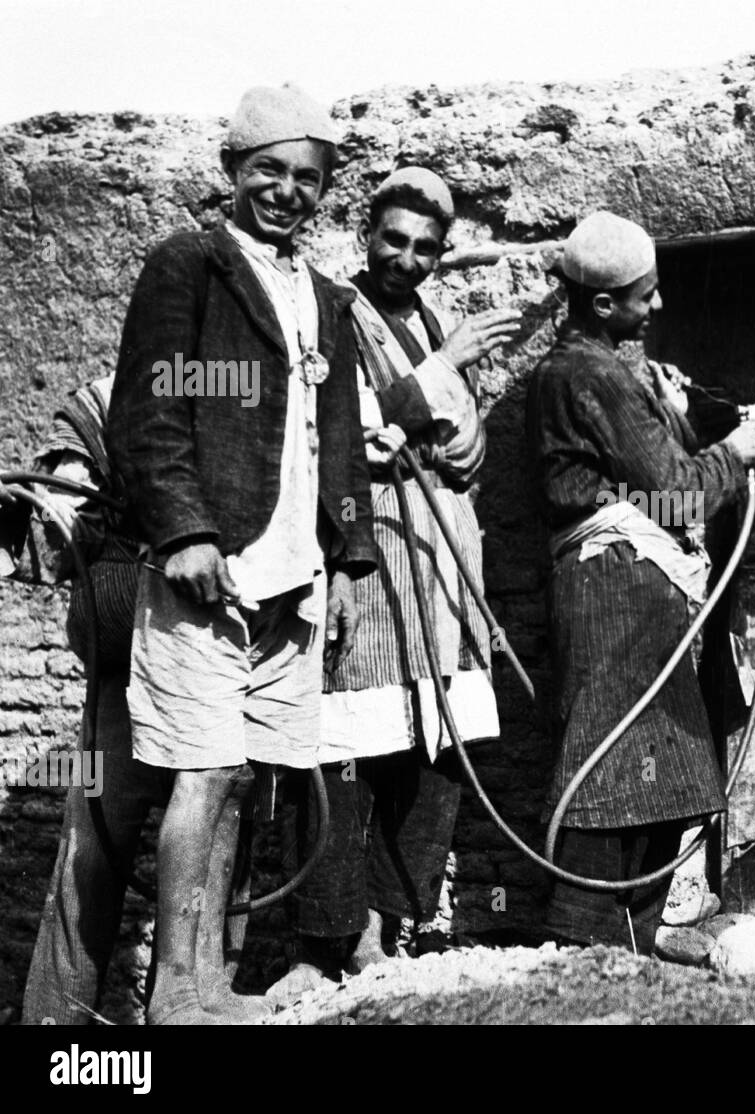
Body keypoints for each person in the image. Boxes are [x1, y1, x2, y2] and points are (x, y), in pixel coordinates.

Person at [105, 84, 377, 1023]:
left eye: (307, 178)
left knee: (254, 776)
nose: (286, 191)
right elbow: (148, 410)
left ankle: (212, 984)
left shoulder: (327, 299)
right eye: (268, 170)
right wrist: (182, 529)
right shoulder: (190, 267)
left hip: (294, 572)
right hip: (210, 567)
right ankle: (176, 994)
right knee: (205, 769)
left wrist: (348, 560)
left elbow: (338, 440)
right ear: (231, 172)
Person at [281, 168, 521, 986]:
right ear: (366, 236)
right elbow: (333, 429)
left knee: (432, 752)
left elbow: (459, 437)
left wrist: (465, 441)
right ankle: (327, 943)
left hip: (442, 561)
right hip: (367, 550)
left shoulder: (425, 319)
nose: (408, 259)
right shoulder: (333, 315)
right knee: (347, 751)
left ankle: (392, 926)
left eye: (426, 248)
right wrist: (443, 372)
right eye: (394, 240)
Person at [525, 210, 755, 954]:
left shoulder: (606, 371)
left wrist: (677, 418)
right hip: (613, 600)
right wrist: (736, 450)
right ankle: (578, 953)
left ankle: (625, 950)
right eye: (646, 295)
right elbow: (678, 495)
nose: (657, 306)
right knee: (606, 773)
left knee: (662, 774)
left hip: (639, 599)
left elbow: (651, 472)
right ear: (603, 305)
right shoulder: (587, 372)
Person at [6, 376, 172, 1024]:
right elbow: (61, 497)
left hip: (212, 651)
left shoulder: (245, 385)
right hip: (122, 657)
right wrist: (65, 493)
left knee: (212, 839)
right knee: (90, 850)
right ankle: (52, 1022)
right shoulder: (116, 394)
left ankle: (179, 1010)